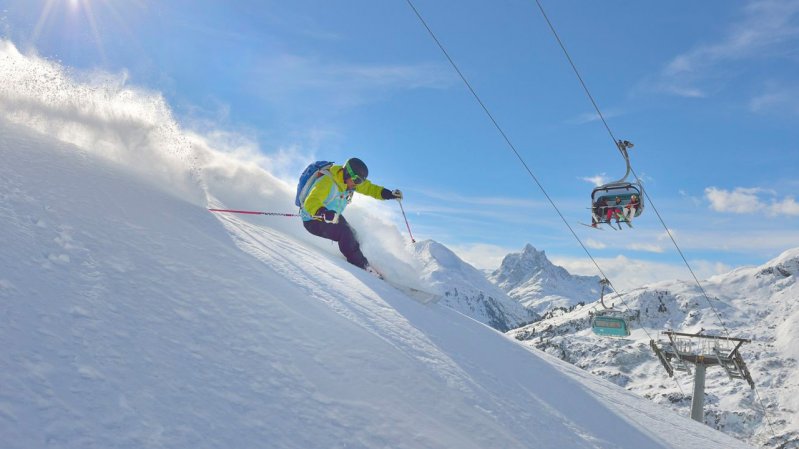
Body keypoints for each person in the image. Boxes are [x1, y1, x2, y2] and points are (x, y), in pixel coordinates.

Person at [299, 157, 402, 275]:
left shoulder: (350, 182)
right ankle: (361, 266)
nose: (357, 185)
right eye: (357, 181)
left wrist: (390, 194)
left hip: (332, 216)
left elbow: (370, 188)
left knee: (353, 233)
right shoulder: (327, 181)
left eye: (360, 182)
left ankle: (363, 258)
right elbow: (311, 201)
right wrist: (322, 212)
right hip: (313, 219)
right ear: (347, 173)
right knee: (345, 232)